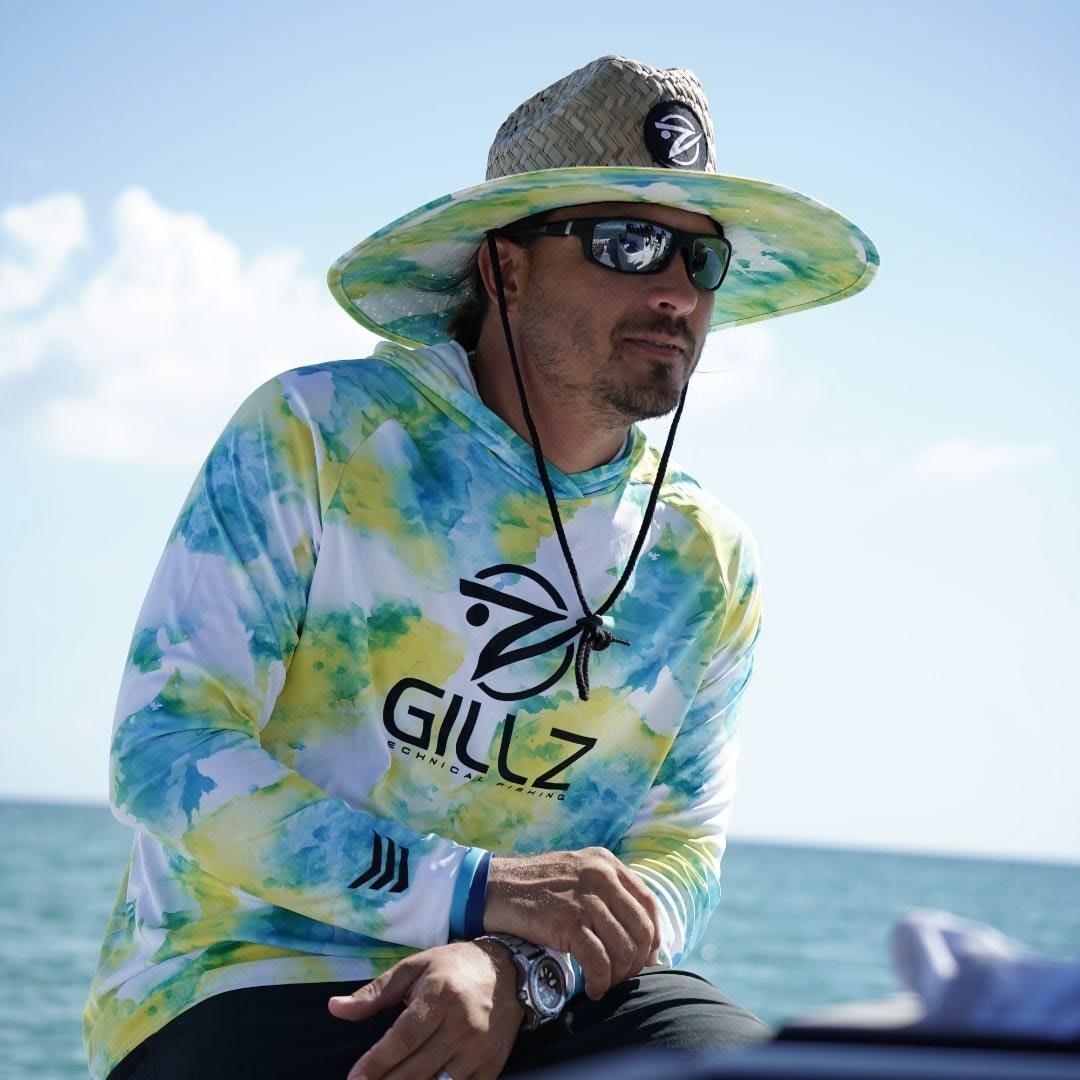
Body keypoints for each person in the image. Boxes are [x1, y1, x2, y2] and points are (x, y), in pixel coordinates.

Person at [84, 55, 877, 1080]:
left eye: (702, 257)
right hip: (254, 977)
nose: (677, 291)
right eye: (629, 242)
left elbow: (681, 857)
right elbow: (167, 749)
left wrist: (515, 965)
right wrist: (470, 893)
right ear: (505, 269)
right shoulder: (318, 434)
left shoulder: (708, 560)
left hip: (543, 989)